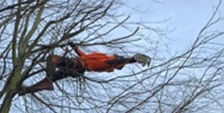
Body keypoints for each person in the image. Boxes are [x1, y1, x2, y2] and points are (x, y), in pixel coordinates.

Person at [18, 43, 151, 95]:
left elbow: (119, 62)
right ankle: (27, 90)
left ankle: (49, 79)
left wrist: (132, 59)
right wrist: (74, 46)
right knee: (51, 77)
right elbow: (83, 55)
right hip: (78, 66)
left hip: (79, 66)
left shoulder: (108, 62)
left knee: (52, 59)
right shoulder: (101, 57)